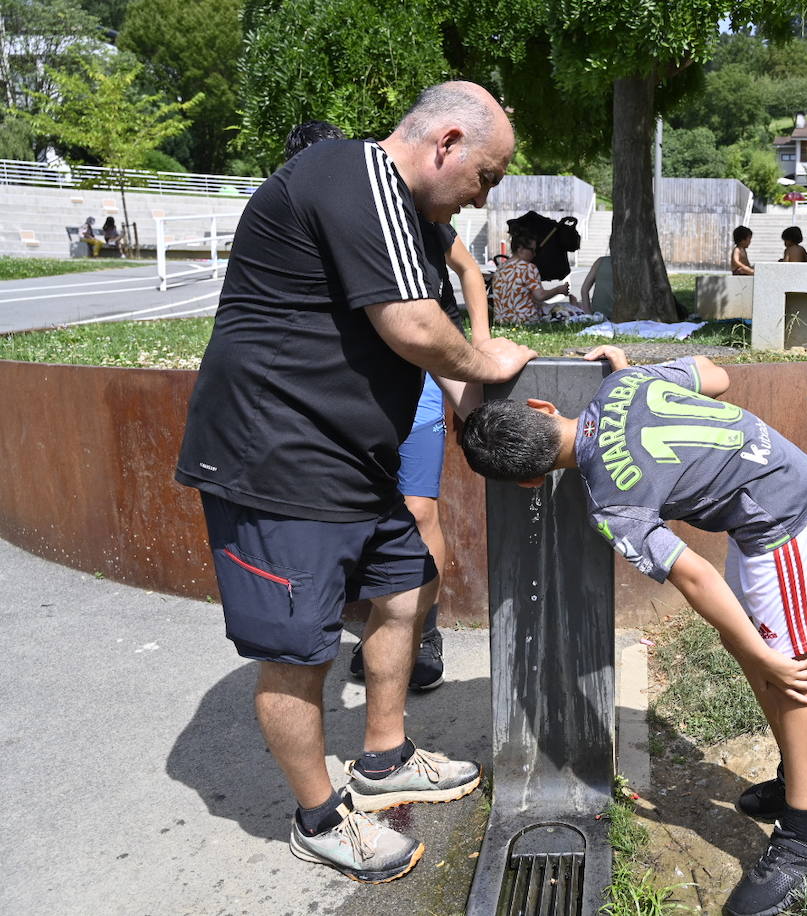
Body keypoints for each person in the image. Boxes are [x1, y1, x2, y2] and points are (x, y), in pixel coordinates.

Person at [175, 81, 536, 884]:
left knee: (405, 589)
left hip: (350, 458)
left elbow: (432, 344)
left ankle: (383, 757)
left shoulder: (414, 222)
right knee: (296, 650)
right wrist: (488, 361)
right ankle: (317, 818)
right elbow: (414, 328)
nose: (487, 196)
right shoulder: (353, 173)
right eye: (487, 174)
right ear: (445, 142)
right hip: (275, 459)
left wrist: (511, 423)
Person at [460, 345, 807, 916]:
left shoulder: (611, 504)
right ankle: (806, 782)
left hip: (783, 520)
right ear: (544, 407)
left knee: (788, 676)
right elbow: (716, 376)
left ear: (528, 483)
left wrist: (762, 658)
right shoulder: (622, 387)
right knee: (757, 654)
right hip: (762, 504)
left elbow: (694, 576)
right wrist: (628, 372)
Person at [280, 118, 490, 694]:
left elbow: (460, 283)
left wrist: (481, 344)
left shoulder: (411, 211)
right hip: (346, 405)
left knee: (420, 510)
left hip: (420, 378)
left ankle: (423, 629)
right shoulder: (298, 221)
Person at [490, 232, 575, 325]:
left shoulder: (501, 268)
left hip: (502, 321)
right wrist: (559, 290)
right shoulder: (528, 268)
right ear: (520, 248)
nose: (534, 254)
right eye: (532, 250)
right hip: (524, 320)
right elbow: (540, 296)